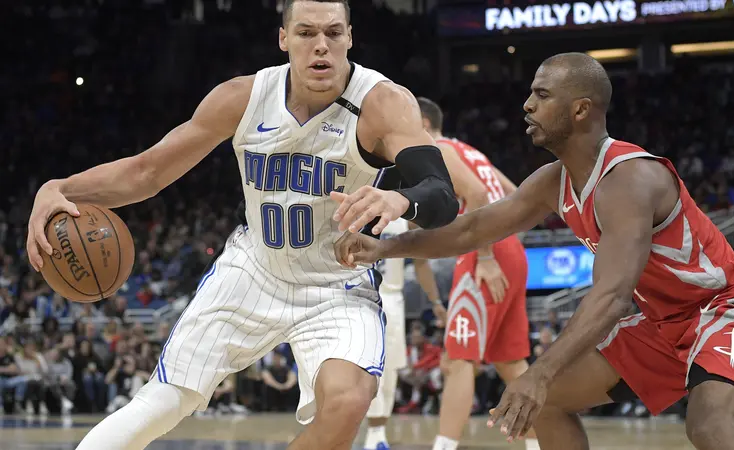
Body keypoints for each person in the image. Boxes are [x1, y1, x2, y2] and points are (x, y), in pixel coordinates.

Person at [25, 1, 458, 448]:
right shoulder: (243, 97)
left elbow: (442, 195)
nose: (321, 47)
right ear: (283, 39)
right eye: (307, 33)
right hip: (255, 269)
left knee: (349, 402)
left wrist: (399, 198)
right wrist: (62, 188)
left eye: (333, 32)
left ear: (350, 36)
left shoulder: (382, 103)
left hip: (336, 282)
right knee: (164, 400)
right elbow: (145, 174)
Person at [334, 53, 734, 450]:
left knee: (709, 428)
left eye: (541, 95)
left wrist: (541, 371)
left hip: (728, 304)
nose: (527, 105)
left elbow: (611, 298)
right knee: (546, 403)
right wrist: (385, 247)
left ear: (580, 110)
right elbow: (471, 228)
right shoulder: (554, 180)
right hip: (667, 323)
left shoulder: (630, 180)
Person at [414, 98, 536, 450]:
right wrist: (506, 244)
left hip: (485, 252)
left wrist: (485, 254)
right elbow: (515, 195)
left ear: (422, 122)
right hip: (510, 248)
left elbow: (479, 194)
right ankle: (538, 444)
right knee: (511, 361)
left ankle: (444, 446)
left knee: (458, 357)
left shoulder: (435, 147)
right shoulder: (471, 151)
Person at [362, 217, 442, 450]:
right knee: (372, 371)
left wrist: (436, 301)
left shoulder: (405, 218)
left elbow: (421, 263)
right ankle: (373, 432)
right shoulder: (354, 208)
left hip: (392, 299)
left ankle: (378, 432)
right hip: (360, 296)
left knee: (390, 372)